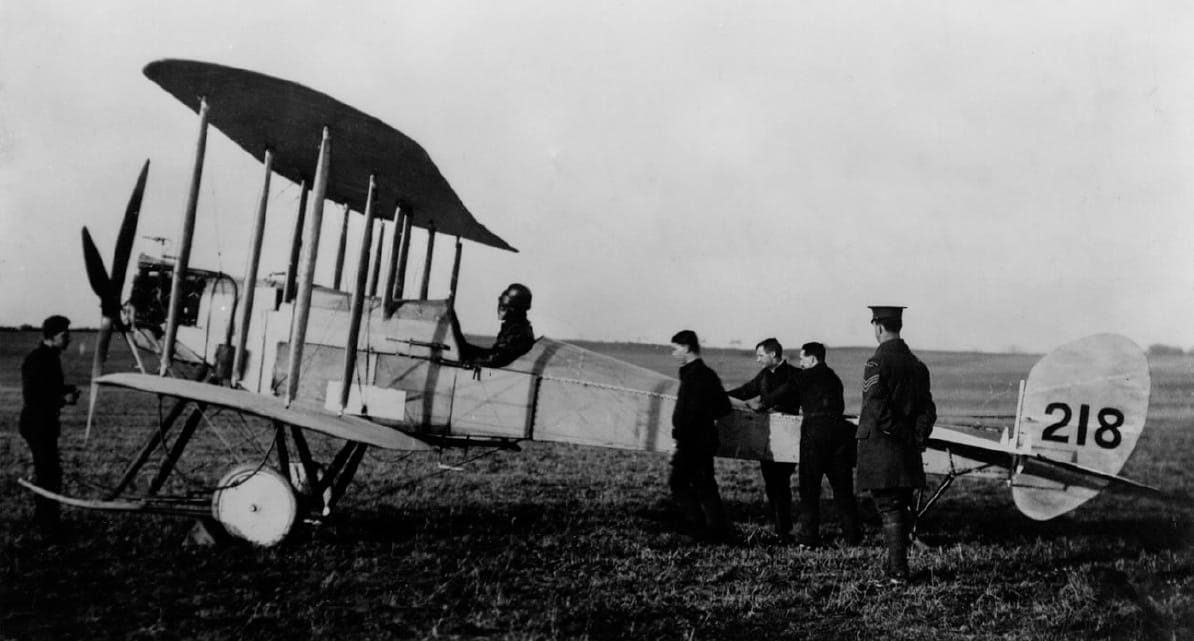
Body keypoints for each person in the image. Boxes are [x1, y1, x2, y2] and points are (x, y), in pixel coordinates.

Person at [856, 306, 936, 585]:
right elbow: (928, 410)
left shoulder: (876, 364)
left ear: (878, 327)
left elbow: (877, 408)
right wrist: (916, 437)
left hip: (885, 451)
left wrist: (902, 435)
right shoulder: (918, 366)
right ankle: (896, 570)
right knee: (898, 507)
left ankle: (898, 573)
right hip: (907, 452)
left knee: (890, 507)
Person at [726, 338, 800, 541]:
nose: (757, 359)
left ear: (773, 355)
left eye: (760, 355)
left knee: (781, 482)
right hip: (767, 438)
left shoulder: (795, 375)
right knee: (770, 482)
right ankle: (780, 528)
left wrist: (764, 402)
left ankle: (783, 530)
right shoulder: (764, 375)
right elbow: (745, 391)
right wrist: (720, 396)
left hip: (787, 436)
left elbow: (782, 393)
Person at [792, 341, 861, 548]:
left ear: (812, 359)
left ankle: (808, 538)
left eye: (802, 359)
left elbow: (785, 394)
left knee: (809, 489)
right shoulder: (834, 379)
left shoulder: (804, 377)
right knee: (843, 490)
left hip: (814, 436)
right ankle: (852, 537)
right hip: (839, 436)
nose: (801, 363)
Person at [668, 329, 734, 542]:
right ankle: (716, 529)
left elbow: (690, 413)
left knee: (680, 482)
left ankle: (698, 526)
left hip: (691, 441)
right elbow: (724, 406)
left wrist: (682, 434)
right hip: (703, 439)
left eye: (675, 349)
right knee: (704, 485)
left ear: (686, 348)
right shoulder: (707, 374)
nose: (673, 354)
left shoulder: (693, 376)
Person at [20, 315, 80, 537]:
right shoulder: (38, 360)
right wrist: (63, 399)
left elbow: (48, 387)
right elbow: (33, 397)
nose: (69, 339)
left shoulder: (49, 357)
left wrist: (66, 389)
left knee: (50, 473)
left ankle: (46, 522)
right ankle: (48, 528)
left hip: (43, 424)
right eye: (65, 335)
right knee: (48, 474)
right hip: (37, 425)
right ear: (51, 336)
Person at [459, 283, 536, 368]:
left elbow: (495, 360)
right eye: (501, 305)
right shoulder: (516, 327)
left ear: (517, 310)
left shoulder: (517, 332)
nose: (500, 310)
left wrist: (469, 359)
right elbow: (496, 353)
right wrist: (465, 348)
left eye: (504, 307)